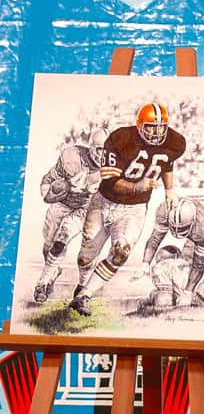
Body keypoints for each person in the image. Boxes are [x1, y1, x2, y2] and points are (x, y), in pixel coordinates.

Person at [70, 101, 185, 316]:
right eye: (151, 126)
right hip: (104, 201)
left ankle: (84, 295)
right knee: (85, 257)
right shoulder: (121, 138)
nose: (157, 132)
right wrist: (136, 186)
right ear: (140, 124)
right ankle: (81, 286)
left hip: (134, 208)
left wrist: (170, 189)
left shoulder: (174, 142)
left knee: (120, 253)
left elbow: (166, 163)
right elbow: (110, 180)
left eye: (161, 127)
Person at [33, 129, 106, 304]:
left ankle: (41, 283)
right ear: (90, 148)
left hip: (85, 208)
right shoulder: (72, 157)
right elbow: (47, 181)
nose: (103, 154)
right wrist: (52, 192)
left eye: (107, 150)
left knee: (62, 238)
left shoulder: (112, 165)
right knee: (48, 245)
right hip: (63, 202)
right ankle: (52, 272)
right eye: (99, 149)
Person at [136, 192, 204, 306]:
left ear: (192, 223)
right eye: (174, 227)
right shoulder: (164, 210)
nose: (178, 232)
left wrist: (188, 292)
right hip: (200, 214)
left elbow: (199, 263)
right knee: (186, 260)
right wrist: (145, 263)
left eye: (183, 228)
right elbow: (155, 239)